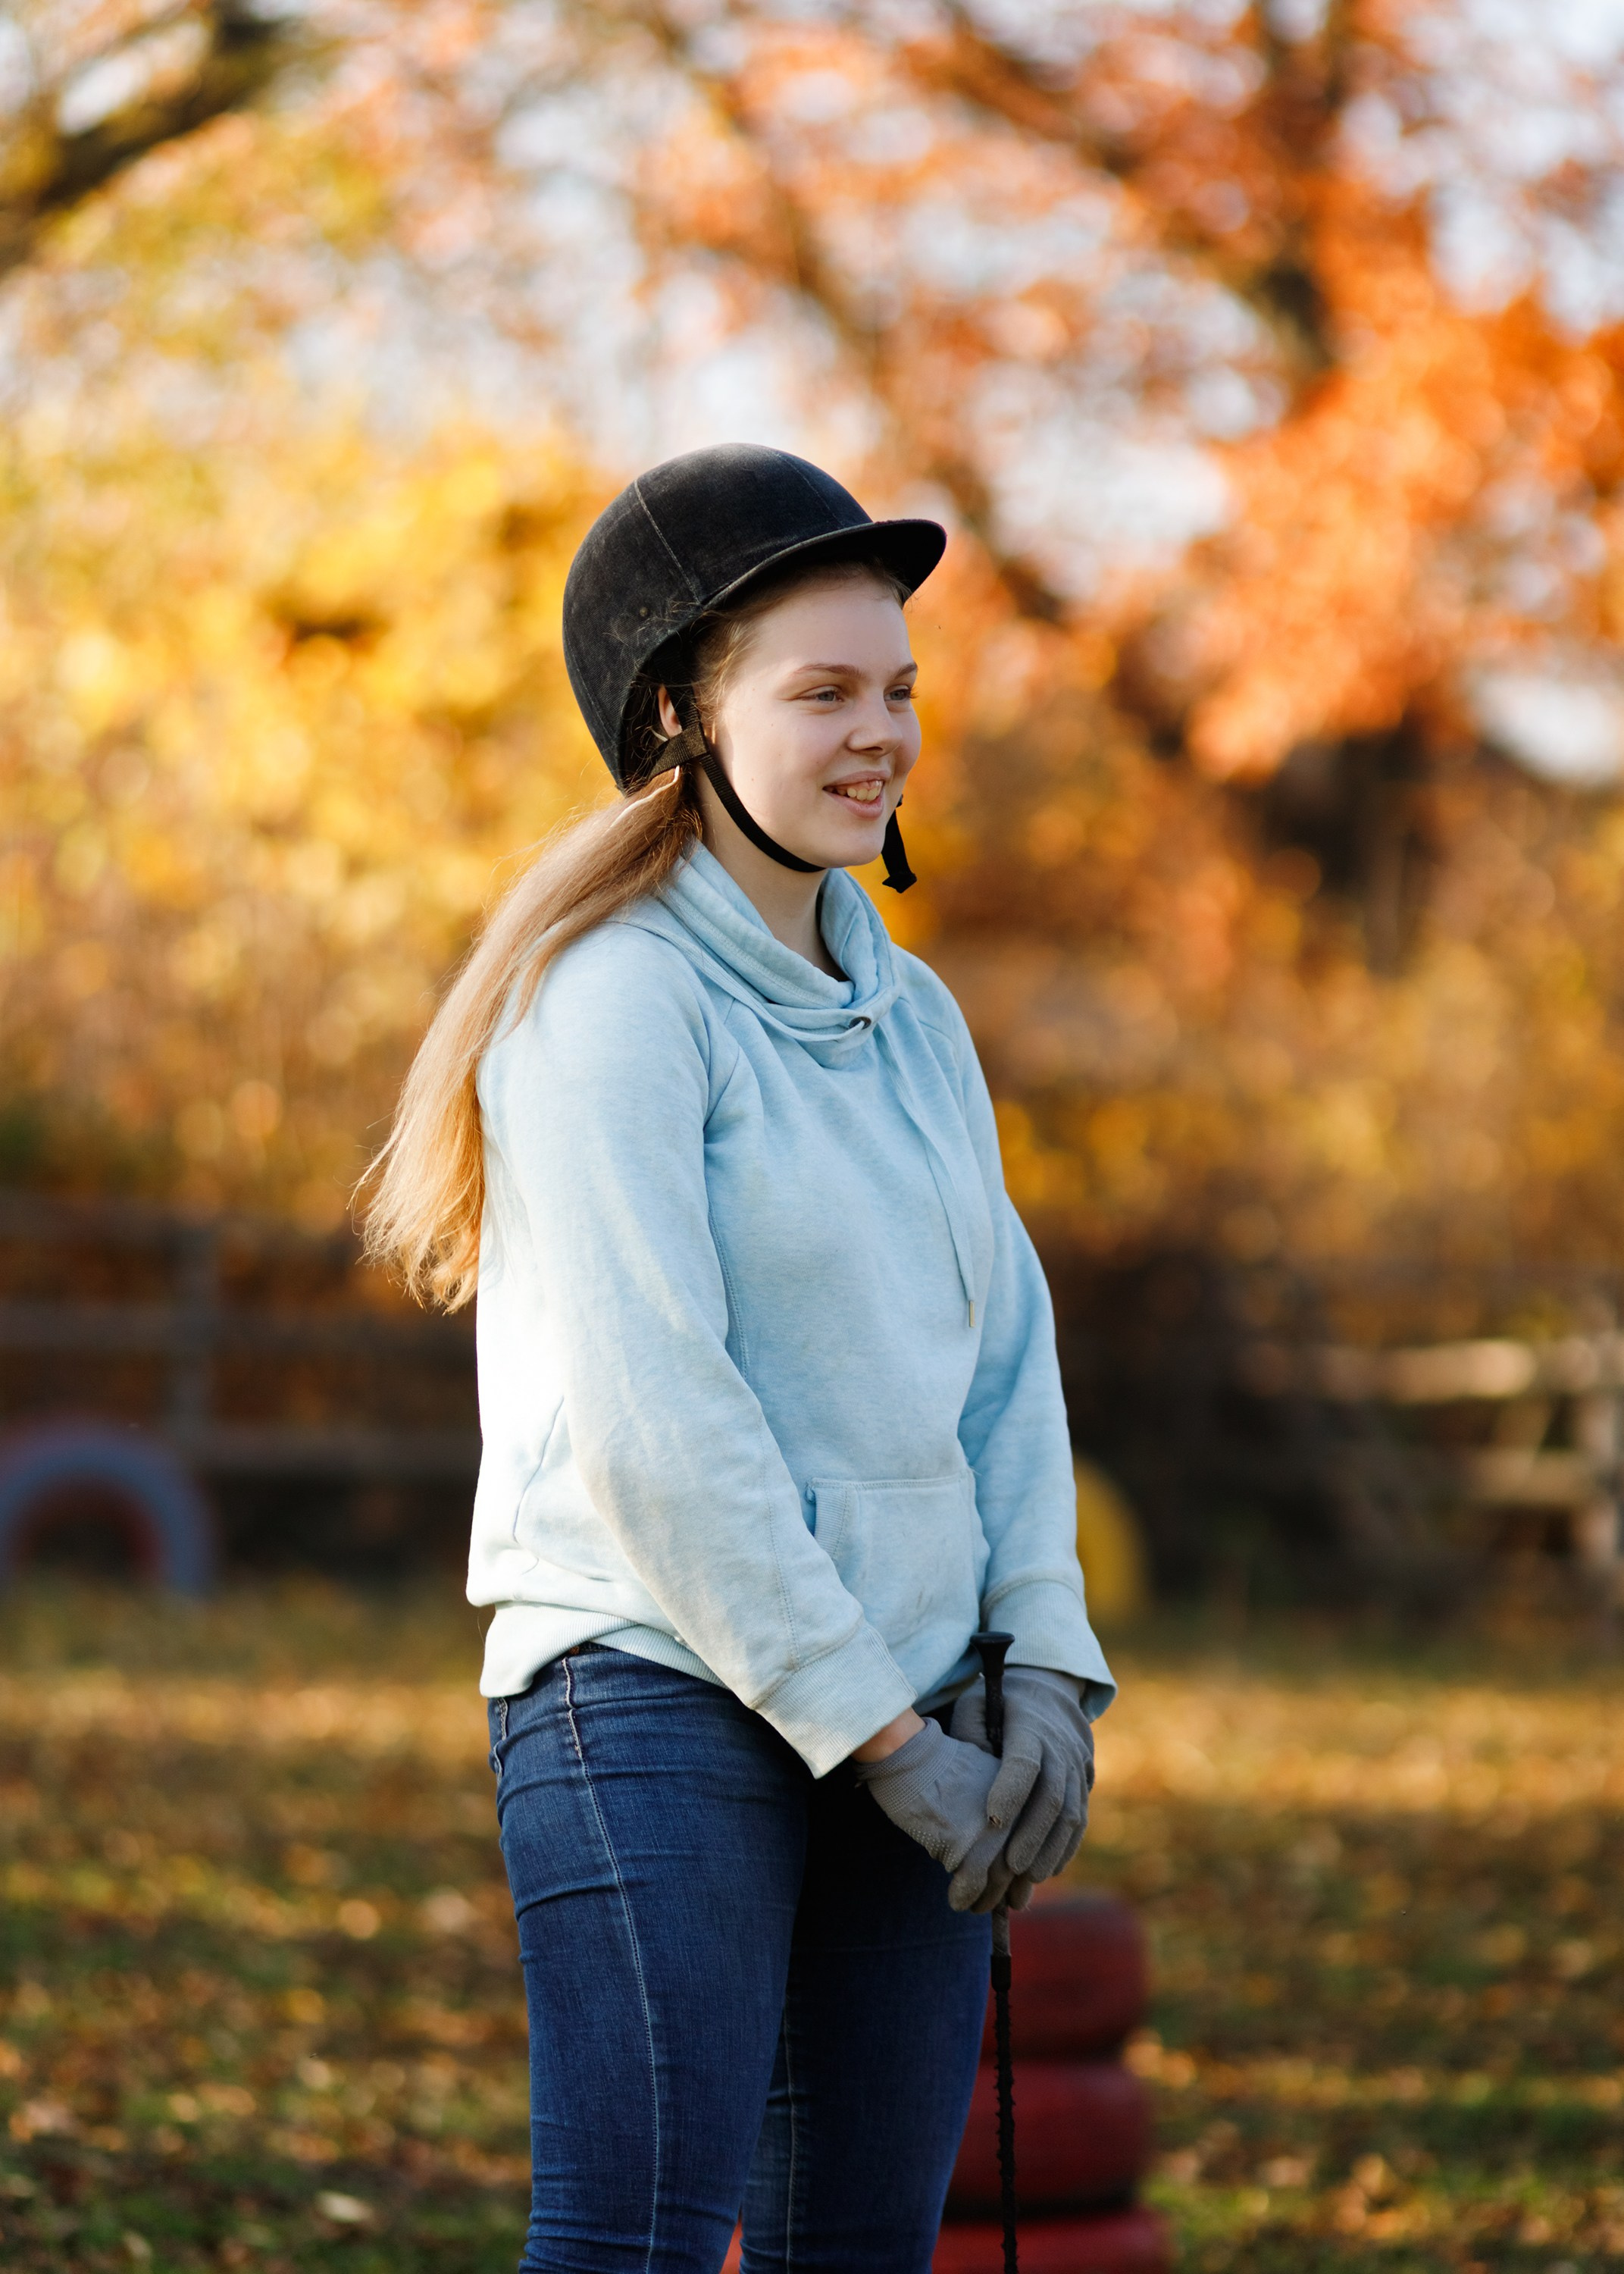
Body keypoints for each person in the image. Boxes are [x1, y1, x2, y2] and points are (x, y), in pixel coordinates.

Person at [365, 444, 1115, 2274]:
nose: (884, 735)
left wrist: (1049, 1676)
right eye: (826, 694)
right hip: (654, 1690)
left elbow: (1003, 1361)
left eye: (901, 691)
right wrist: (881, 1738)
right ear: (683, 720)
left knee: (853, 2252)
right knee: (633, 2239)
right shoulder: (611, 1007)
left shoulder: (914, 1013)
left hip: (925, 1703)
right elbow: (657, 1427)